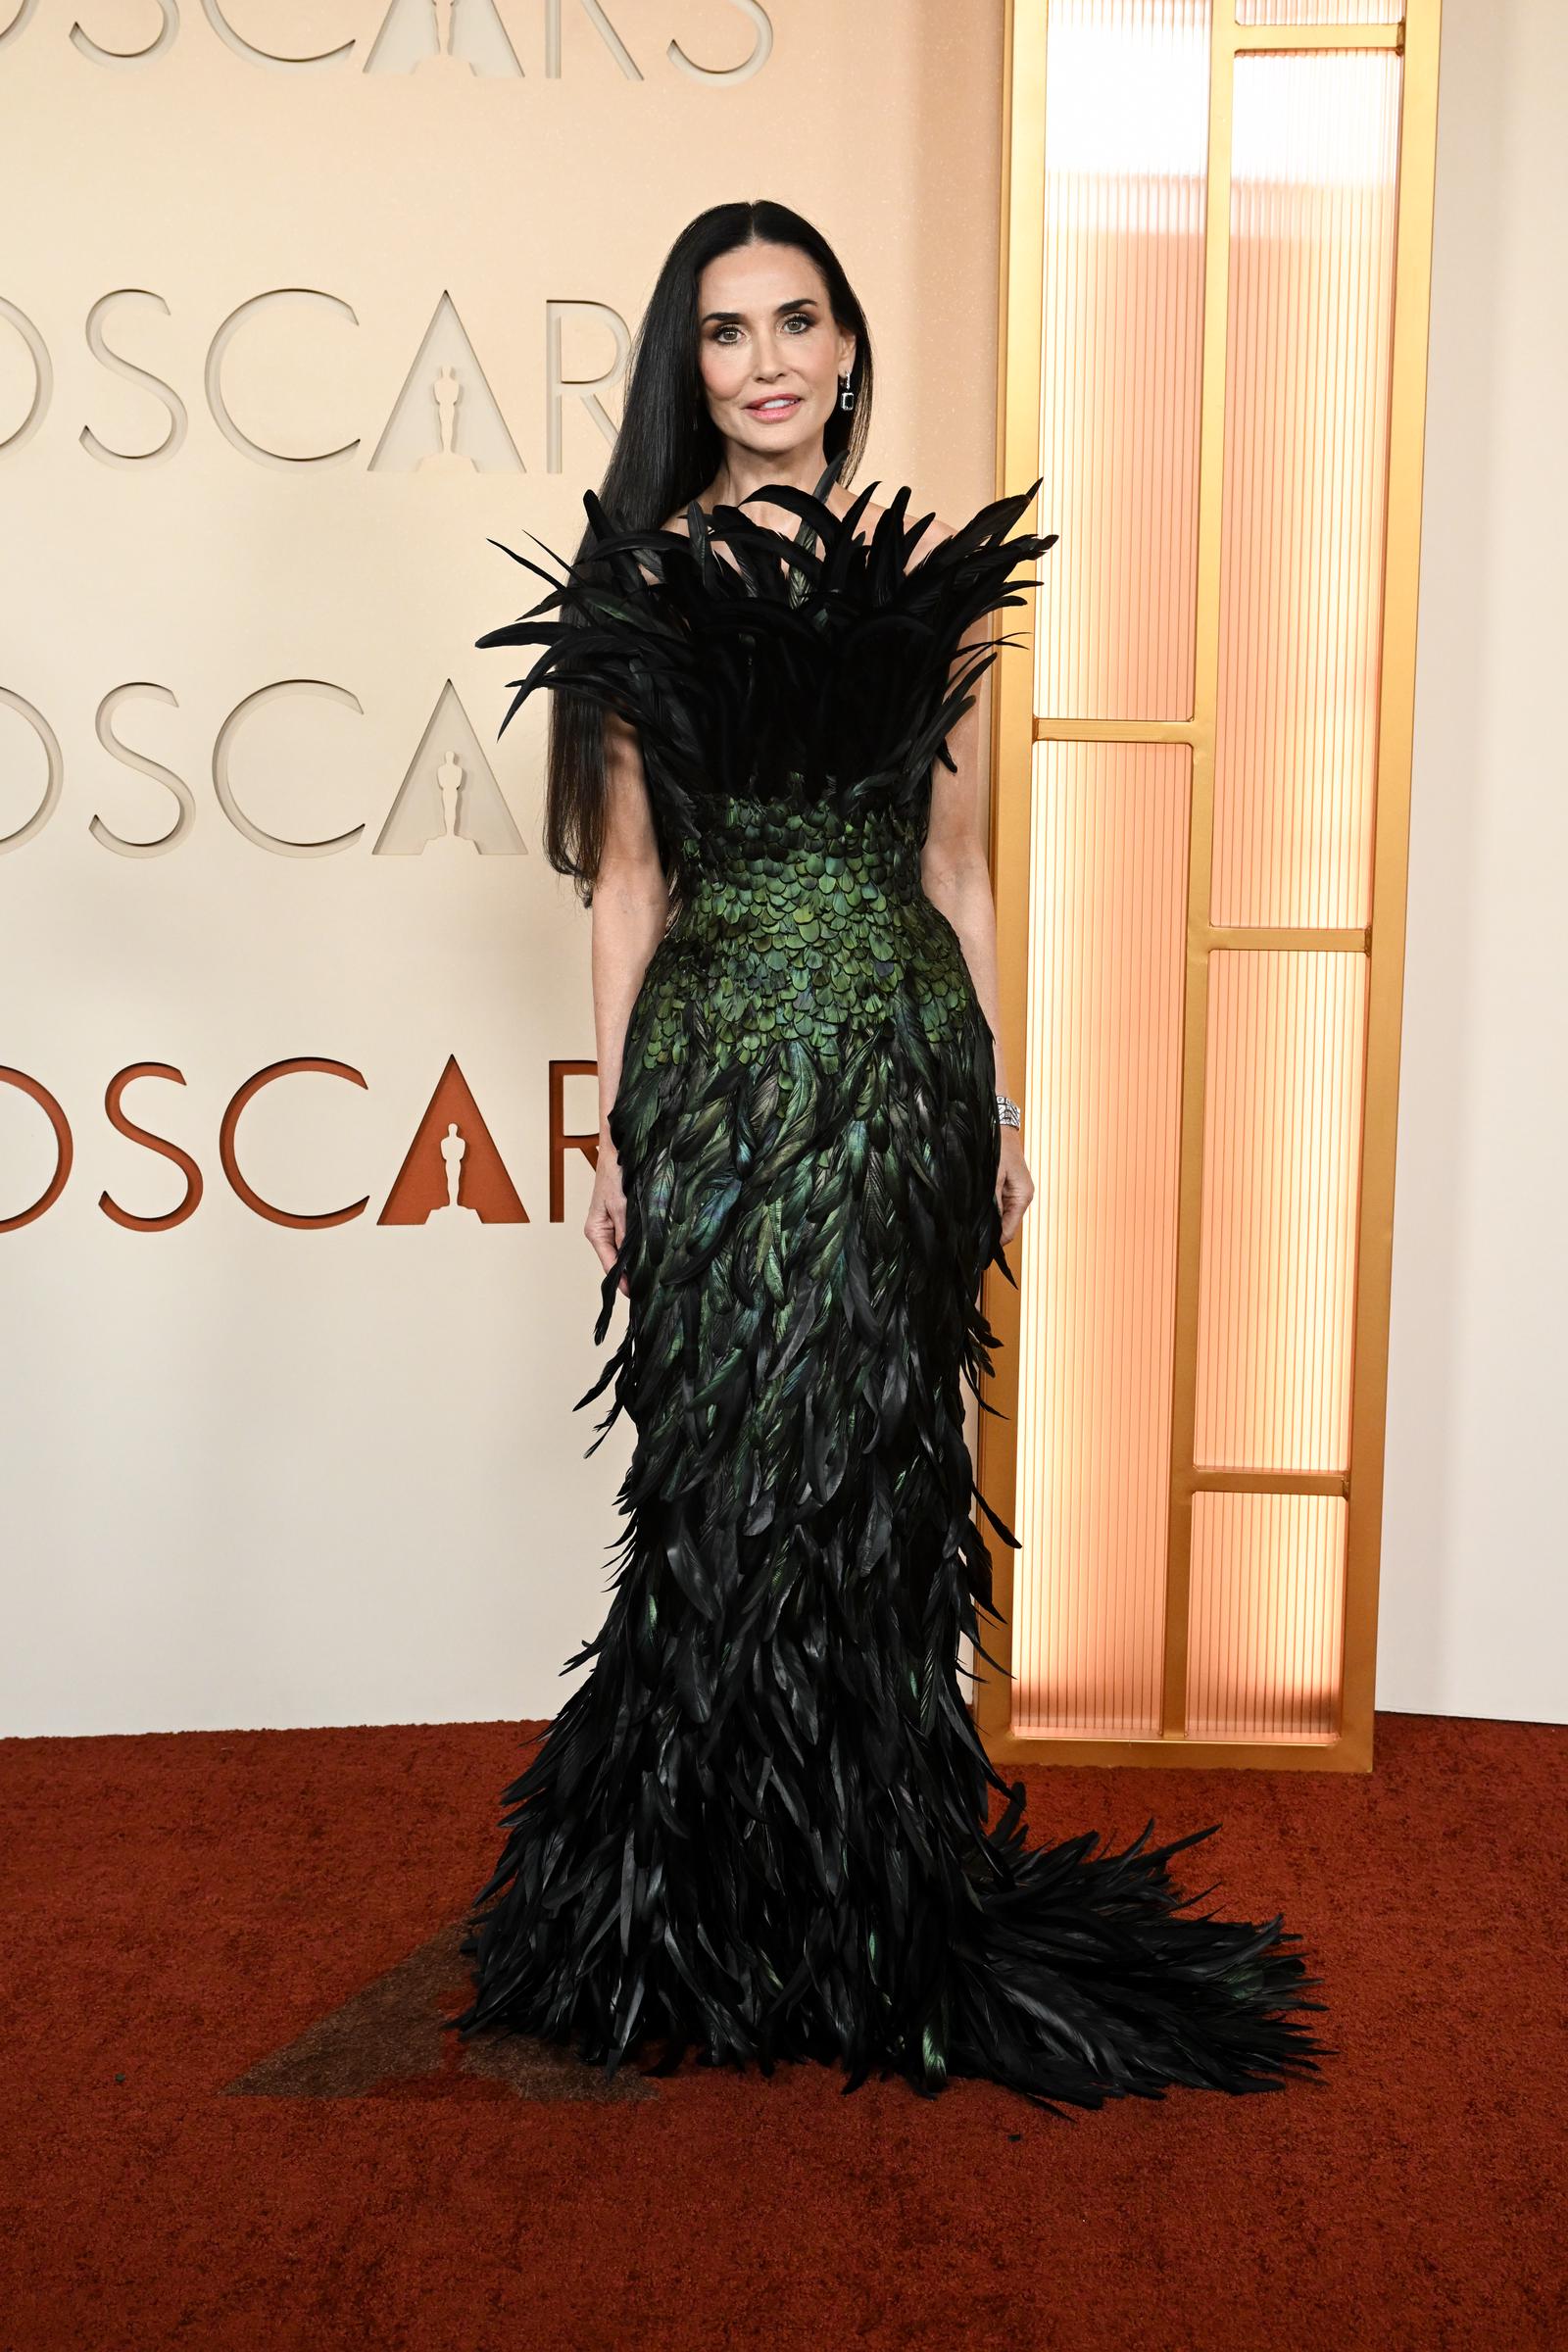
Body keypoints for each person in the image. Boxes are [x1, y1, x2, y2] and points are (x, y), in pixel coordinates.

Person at [446, 200, 1330, 2112]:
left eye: (795, 321)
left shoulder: (927, 586)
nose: (764, 360)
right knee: (722, 1488)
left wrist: (997, 1103)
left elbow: (955, 867)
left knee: (878, 1480)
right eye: (724, 333)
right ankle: (691, 1899)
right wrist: (618, 1133)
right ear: (688, 374)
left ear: (846, 346)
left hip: (897, 1078)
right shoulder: (645, 581)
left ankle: (861, 1902)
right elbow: (624, 897)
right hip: (723, 1088)